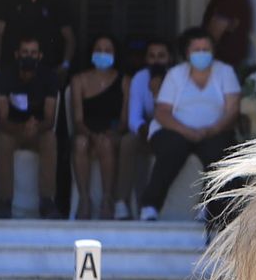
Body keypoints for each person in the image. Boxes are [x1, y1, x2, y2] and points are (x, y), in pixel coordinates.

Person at [138, 27, 239, 224]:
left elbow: (232, 110)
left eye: (206, 49)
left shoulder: (225, 72)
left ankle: (210, 207)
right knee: (172, 149)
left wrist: (211, 130)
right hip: (176, 130)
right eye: (197, 49)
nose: (201, 53)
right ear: (187, 53)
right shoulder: (175, 75)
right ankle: (150, 206)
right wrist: (187, 131)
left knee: (220, 149)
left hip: (214, 130)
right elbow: (162, 111)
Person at [0, 36, 60, 219]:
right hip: (11, 130)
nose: (29, 56)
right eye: (25, 52)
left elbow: (50, 119)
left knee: (50, 139)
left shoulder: (50, 78)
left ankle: (47, 201)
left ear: (40, 56)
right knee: (3, 141)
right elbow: (1, 119)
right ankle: (4, 202)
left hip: (38, 131)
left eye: (33, 53)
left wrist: (35, 127)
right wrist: (22, 127)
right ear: (17, 54)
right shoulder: (5, 77)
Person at [69, 34, 128, 220]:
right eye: (99, 50)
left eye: (108, 50)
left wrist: (111, 133)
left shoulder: (125, 81)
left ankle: (107, 199)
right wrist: (92, 135)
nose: (103, 54)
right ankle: (84, 200)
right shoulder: (79, 80)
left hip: (113, 132)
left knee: (106, 144)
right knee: (80, 144)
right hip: (87, 132)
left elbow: (125, 120)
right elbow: (78, 119)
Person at [115, 40, 172, 219]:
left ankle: (150, 206)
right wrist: (143, 129)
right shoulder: (140, 78)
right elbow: (134, 116)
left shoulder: (176, 77)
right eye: (152, 56)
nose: (156, 61)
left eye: (161, 56)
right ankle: (121, 203)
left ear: (169, 58)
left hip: (170, 133)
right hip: (146, 133)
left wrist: (157, 94)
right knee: (127, 142)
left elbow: (178, 114)